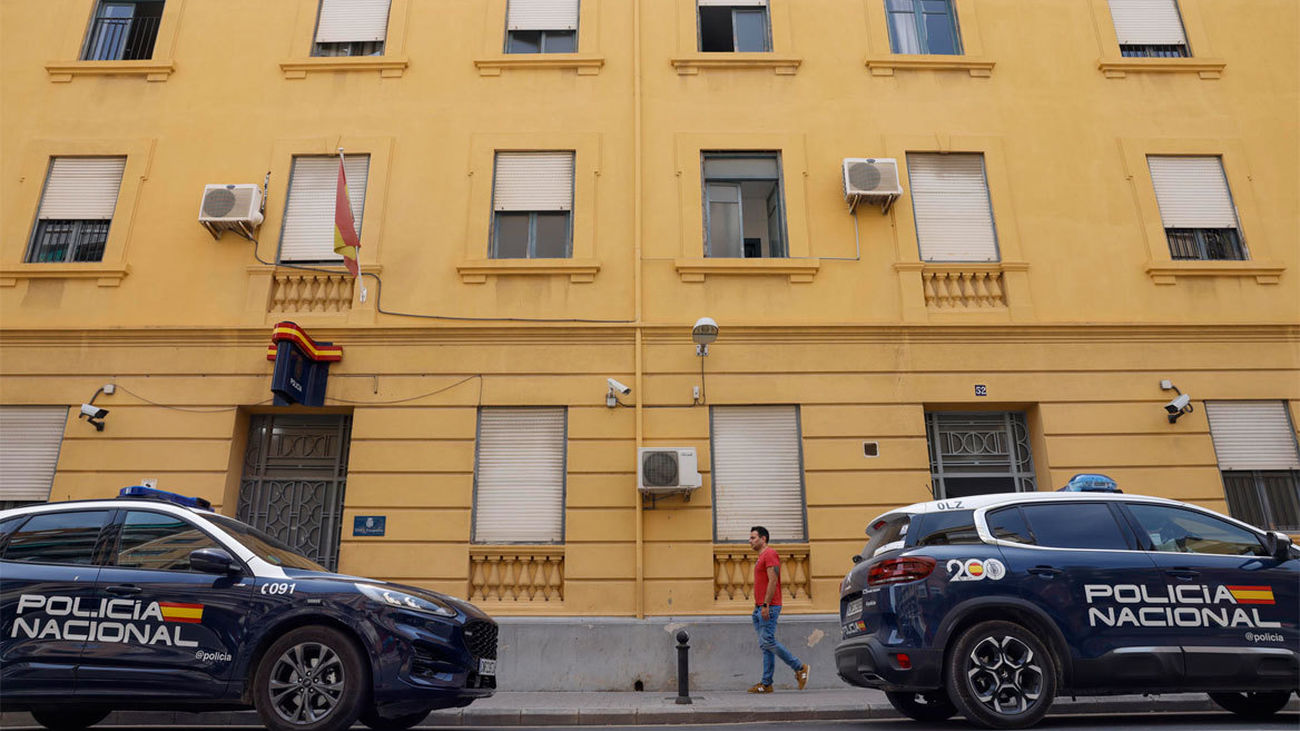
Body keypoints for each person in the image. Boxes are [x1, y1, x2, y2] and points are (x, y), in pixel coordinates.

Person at [747, 525, 810, 693]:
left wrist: (766, 604)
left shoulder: (770, 554)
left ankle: (800, 667)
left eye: (753, 537)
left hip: (769, 606)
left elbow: (773, 581)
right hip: (760, 607)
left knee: (768, 641)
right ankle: (766, 683)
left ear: (763, 538)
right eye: (750, 538)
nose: (750, 541)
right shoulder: (761, 557)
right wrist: (758, 606)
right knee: (765, 645)